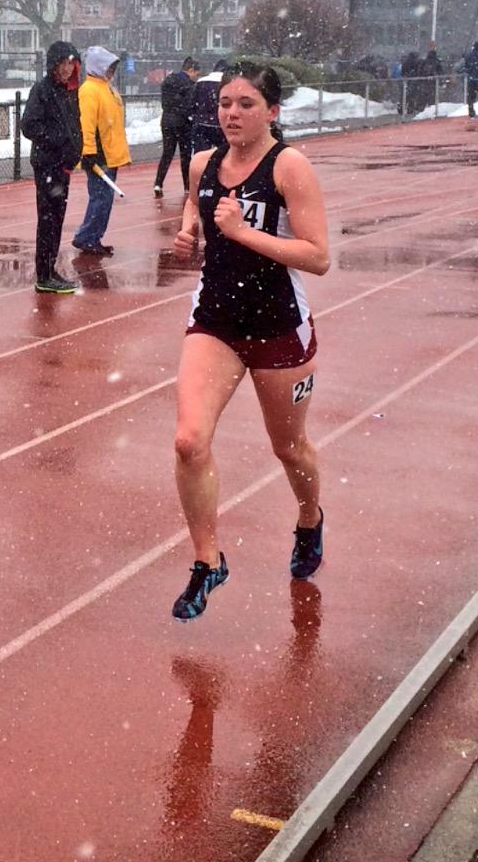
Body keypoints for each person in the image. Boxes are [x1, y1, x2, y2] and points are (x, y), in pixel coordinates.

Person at [170, 61, 330, 622]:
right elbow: (196, 202)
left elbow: (318, 257)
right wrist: (191, 228)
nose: (232, 114)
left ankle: (310, 516)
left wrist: (243, 233)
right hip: (215, 320)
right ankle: (206, 560)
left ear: (272, 112)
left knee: (289, 448)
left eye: (245, 104)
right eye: (225, 104)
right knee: (190, 441)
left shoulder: (289, 167)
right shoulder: (201, 164)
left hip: (279, 325)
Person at [21, 41, 83, 294]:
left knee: (57, 220)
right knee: (48, 220)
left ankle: (50, 269)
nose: (68, 69)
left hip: (63, 166)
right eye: (64, 63)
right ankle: (44, 274)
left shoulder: (69, 91)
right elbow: (29, 126)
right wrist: (57, 140)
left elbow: (73, 124)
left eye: (72, 63)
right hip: (48, 165)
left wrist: (76, 149)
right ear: (54, 65)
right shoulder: (43, 90)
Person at [72, 46, 131, 255]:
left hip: (109, 154)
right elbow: (86, 124)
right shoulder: (90, 91)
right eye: (109, 67)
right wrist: (88, 152)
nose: (112, 72)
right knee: (101, 198)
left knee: (104, 198)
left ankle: (92, 236)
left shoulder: (106, 89)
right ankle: (87, 237)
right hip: (99, 156)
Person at [153, 56, 200, 198]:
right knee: (185, 155)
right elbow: (189, 105)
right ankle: (187, 186)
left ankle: (158, 183)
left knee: (167, 153)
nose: (196, 78)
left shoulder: (168, 80)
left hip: (166, 120)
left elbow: (166, 102)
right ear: (191, 70)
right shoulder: (189, 85)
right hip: (182, 122)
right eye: (196, 74)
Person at [190, 58, 229, 153]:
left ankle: (201, 167)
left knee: (200, 154)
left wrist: (195, 117)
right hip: (221, 125)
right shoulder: (227, 83)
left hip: (202, 124)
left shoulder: (201, 82)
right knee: (223, 153)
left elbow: (192, 103)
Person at [463, 41, 478, 118]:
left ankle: (471, 111)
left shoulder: (469, 55)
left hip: (471, 79)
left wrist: (469, 72)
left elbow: (465, 67)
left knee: (471, 96)